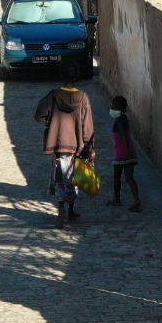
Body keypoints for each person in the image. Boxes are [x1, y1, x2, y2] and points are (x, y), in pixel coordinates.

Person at [35, 81, 94, 229]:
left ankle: (61, 206)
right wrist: (89, 148)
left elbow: (39, 115)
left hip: (58, 143)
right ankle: (71, 210)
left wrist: (48, 117)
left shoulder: (53, 95)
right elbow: (87, 126)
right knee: (74, 176)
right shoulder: (83, 97)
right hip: (77, 144)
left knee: (59, 175)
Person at [105, 95, 142, 213]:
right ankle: (136, 199)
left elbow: (124, 136)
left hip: (122, 152)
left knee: (117, 176)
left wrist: (126, 150)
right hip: (130, 150)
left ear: (120, 109)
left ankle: (117, 199)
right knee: (129, 177)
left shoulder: (119, 122)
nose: (111, 109)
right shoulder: (124, 118)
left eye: (113, 107)